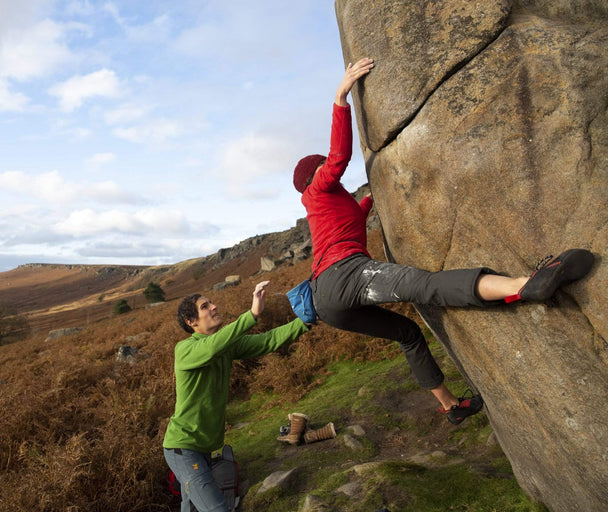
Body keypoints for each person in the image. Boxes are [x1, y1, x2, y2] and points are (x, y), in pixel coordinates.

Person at [293, 57, 594, 425]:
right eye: (322, 167)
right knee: (427, 285)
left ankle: (450, 406)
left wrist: (382, 187)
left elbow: (363, 209)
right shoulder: (317, 190)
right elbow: (339, 157)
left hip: (329, 304)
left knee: (407, 333)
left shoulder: (332, 205)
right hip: (345, 275)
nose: (330, 170)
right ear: (314, 174)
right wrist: (341, 97)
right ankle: (523, 284)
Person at [163, 281, 310, 512]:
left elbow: (267, 340)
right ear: (192, 322)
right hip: (182, 448)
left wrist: (304, 322)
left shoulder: (225, 345)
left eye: (211, 302)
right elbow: (211, 348)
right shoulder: (185, 350)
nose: (214, 306)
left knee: (191, 508)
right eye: (205, 306)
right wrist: (252, 314)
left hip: (202, 447)